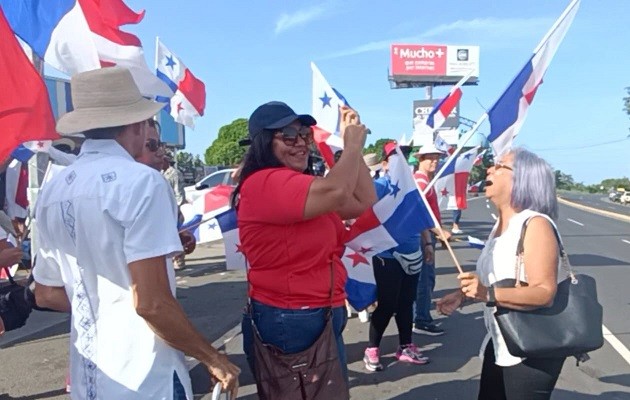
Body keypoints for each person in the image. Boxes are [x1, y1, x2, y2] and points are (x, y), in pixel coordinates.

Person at [32, 67, 239, 399]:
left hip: (90, 379)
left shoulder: (53, 188)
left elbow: (47, 293)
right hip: (145, 375)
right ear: (138, 124)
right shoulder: (142, 182)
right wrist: (212, 358)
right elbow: (151, 303)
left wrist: (105, 299)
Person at [235, 101, 375, 387]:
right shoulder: (264, 182)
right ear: (263, 143)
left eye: (304, 134)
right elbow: (337, 191)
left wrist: (352, 152)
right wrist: (350, 146)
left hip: (317, 312)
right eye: (288, 134)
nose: (300, 143)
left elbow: (363, 201)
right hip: (292, 315)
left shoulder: (297, 184)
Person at [437, 148, 565, 400]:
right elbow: (497, 282)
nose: (489, 169)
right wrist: (464, 296)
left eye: (499, 166)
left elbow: (544, 292)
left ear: (523, 179)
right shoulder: (500, 225)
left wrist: (487, 293)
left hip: (530, 347)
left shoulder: (535, 224)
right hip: (501, 339)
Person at [362, 142, 433, 372]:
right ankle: (372, 348)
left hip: (413, 252)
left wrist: (428, 243)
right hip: (387, 255)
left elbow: (420, 216)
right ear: (385, 164)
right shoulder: (380, 186)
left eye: (405, 157)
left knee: (406, 303)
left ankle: (405, 346)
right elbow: (361, 202)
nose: (402, 161)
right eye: (395, 158)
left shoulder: (411, 187)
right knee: (387, 304)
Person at [412, 144, 450, 336]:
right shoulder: (420, 181)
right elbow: (419, 212)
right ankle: (421, 319)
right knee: (424, 280)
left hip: (425, 234)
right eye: (430, 158)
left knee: (425, 279)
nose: (435, 161)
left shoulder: (425, 180)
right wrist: (439, 231)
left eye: (437, 158)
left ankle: (419, 316)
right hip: (422, 235)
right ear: (421, 159)